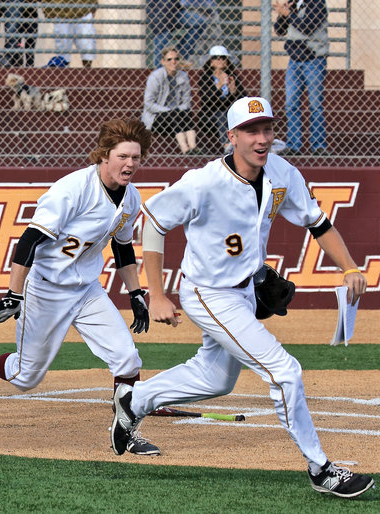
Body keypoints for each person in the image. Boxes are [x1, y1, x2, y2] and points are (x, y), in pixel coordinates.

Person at [110, 96, 375, 498]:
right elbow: (155, 222)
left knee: (215, 378)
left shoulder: (282, 173)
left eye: (267, 129)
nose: (261, 138)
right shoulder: (205, 181)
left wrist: (351, 267)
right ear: (232, 136)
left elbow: (318, 223)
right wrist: (157, 294)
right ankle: (321, 469)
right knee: (284, 371)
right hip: (208, 293)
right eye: (251, 131)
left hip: (246, 291)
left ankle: (134, 401)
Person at [0, 118, 159, 455]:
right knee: (26, 377)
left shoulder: (131, 197)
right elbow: (30, 240)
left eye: (136, 157)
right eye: (122, 156)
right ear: (104, 155)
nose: (130, 164)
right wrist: (14, 293)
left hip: (87, 290)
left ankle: (126, 431)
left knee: (128, 359)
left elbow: (122, 247)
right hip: (46, 289)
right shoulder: (73, 189)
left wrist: (136, 294)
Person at [273, 0, 329, 156]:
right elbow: (280, 30)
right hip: (294, 59)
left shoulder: (317, 3)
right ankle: (294, 145)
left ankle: (318, 145)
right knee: (291, 104)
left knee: (315, 104)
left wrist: (288, 14)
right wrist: (282, 15)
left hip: (314, 59)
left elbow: (307, 27)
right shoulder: (293, 5)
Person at [142, 46, 198, 154]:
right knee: (174, 115)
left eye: (176, 59)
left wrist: (176, 110)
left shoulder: (183, 76)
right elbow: (148, 103)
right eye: (169, 59)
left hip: (178, 115)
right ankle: (185, 149)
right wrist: (168, 110)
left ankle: (193, 147)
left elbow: (187, 102)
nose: (173, 62)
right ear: (163, 62)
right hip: (156, 117)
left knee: (186, 114)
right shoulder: (155, 77)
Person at [198, 45, 245, 153]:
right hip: (210, 114)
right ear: (211, 62)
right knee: (221, 115)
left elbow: (241, 100)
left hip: (230, 112)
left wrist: (233, 92)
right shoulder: (204, 77)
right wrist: (218, 86)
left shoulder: (233, 76)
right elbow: (206, 100)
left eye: (223, 58)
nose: (220, 60)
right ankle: (227, 145)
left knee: (226, 114)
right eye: (216, 58)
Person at [44, 0, 97, 68]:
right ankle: (65, 72)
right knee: (63, 50)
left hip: (83, 9)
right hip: (60, 11)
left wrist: (93, 6)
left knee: (86, 45)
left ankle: (87, 71)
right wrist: (47, 9)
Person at [146, 0, 180, 67]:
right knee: (161, 43)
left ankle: (178, 55)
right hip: (160, 16)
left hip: (174, 11)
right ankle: (160, 69)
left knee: (199, 23)